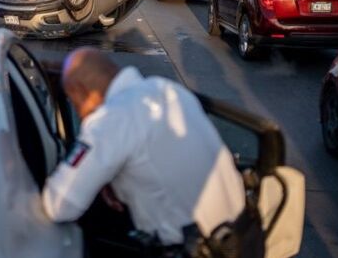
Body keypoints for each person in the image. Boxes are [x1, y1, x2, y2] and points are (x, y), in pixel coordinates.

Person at [42, 48, 246, 249]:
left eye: (76, 105)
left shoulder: (112, 119)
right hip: (243, 235)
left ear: (82, 92)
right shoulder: (167, 89)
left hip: (196, 249)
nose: (80, 115)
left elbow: (58, 204)